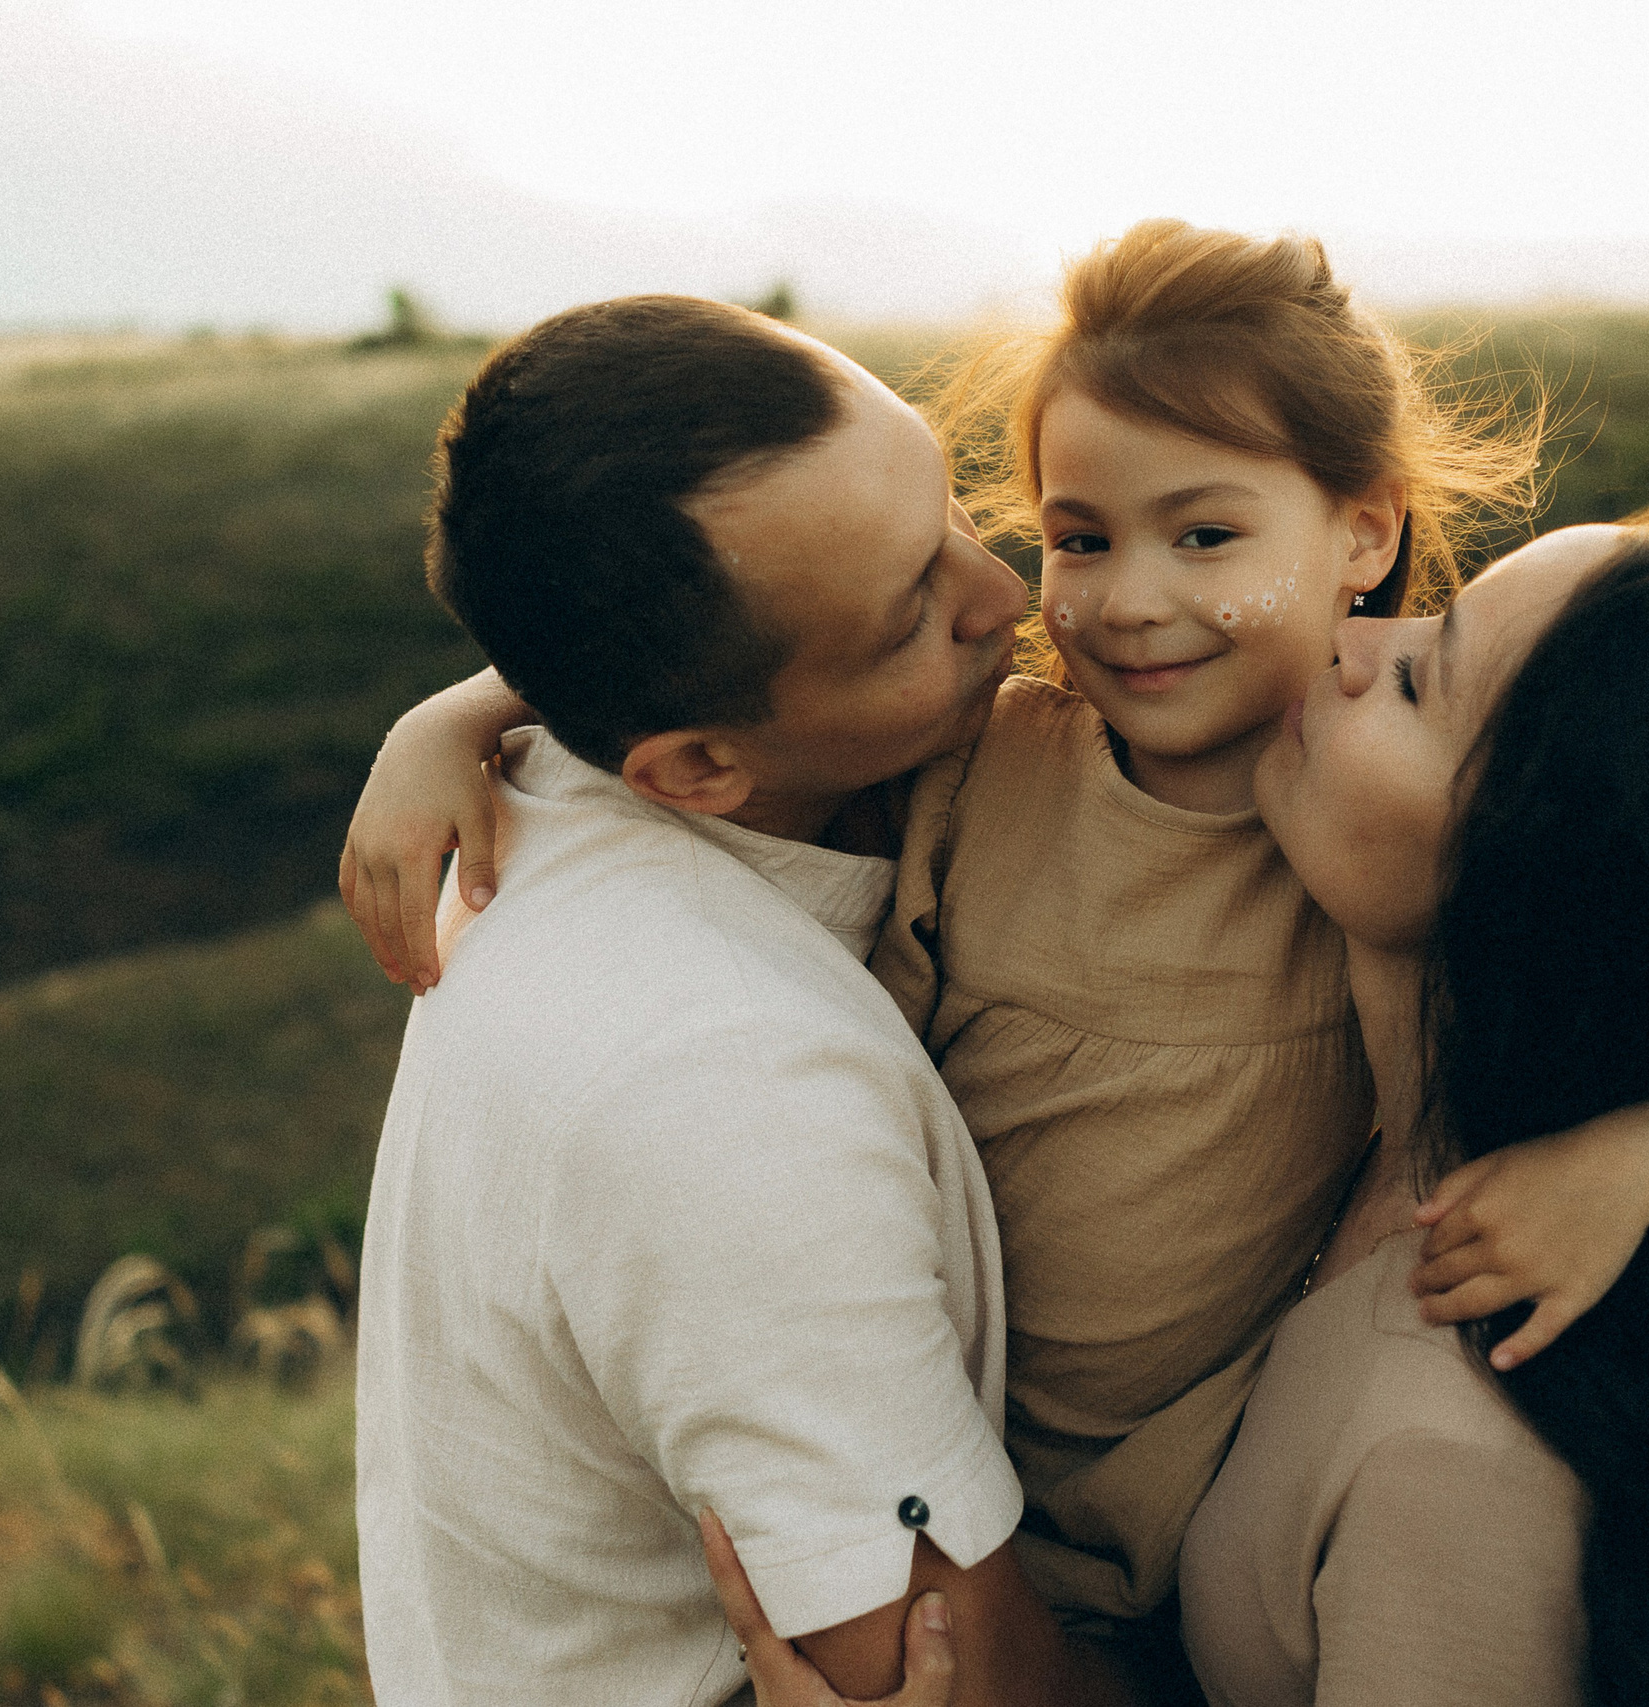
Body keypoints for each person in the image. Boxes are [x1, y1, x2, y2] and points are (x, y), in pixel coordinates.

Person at [345, 225, 1649, 1667]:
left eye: (1205, 534)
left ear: (1363, 526)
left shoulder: (1369, 831)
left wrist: (1634, 1165)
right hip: (958, 1474)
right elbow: (700, 677)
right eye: (1079, 534)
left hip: (1183, 1538)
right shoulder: (985, 754)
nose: (1119, 600)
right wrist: (466, 712)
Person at [705, 475, 1649, 1706]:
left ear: (1539, 882)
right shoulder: (1444, 1136)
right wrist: (522, 705)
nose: (1360, 640)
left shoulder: (1452, 1451)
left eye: (1425, 680)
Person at [354, 293, 1132, 1707]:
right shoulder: (726, 1089)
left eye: (947, 503)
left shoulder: (563, 781)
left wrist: (456, 705)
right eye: (911, 615)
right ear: (697, 767)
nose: (1000, 592)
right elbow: (943, 1676)